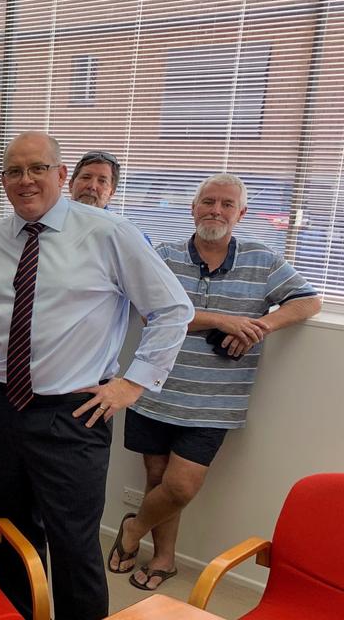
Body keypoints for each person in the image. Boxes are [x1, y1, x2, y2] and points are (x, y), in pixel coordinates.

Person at [0, 131, 192, 620]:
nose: (25, 180)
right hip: (1, 408)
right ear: (3, 181)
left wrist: (132, 383)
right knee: (9, 535)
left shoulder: (108, 234)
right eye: (14, 171)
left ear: (60, 175)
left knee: (74, 546)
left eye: (37, 168)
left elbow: (172, 310)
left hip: (74, 413)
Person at [109, 173, 321, 592]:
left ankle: (132, 530)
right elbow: (152, 313)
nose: (216, 211)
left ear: (240, 214)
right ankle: (165, 559)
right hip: (154, 389)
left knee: (181, 485)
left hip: (215, 402)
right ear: (193, 208)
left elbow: (308, 300)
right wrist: (224, 321)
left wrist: (259, 326)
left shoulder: (262, 260)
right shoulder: (164, 256)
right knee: (156, 478)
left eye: (226, 204)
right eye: (208, 202)